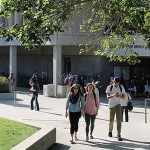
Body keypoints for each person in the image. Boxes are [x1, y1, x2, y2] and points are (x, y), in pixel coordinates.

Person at [106, 77, 125, 141]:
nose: (116, 83)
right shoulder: (109, 87)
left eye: (117, 82)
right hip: (111, 105)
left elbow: (123, 97)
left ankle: (119, 134)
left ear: (119, 82)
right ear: (113, 81)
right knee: (111, 120)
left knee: (119, 120)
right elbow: (108, 97)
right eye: (115, 82)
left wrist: (119, 96)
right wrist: (114, 95)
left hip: (118, 105)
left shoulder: (121, 87)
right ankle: (110, 131)